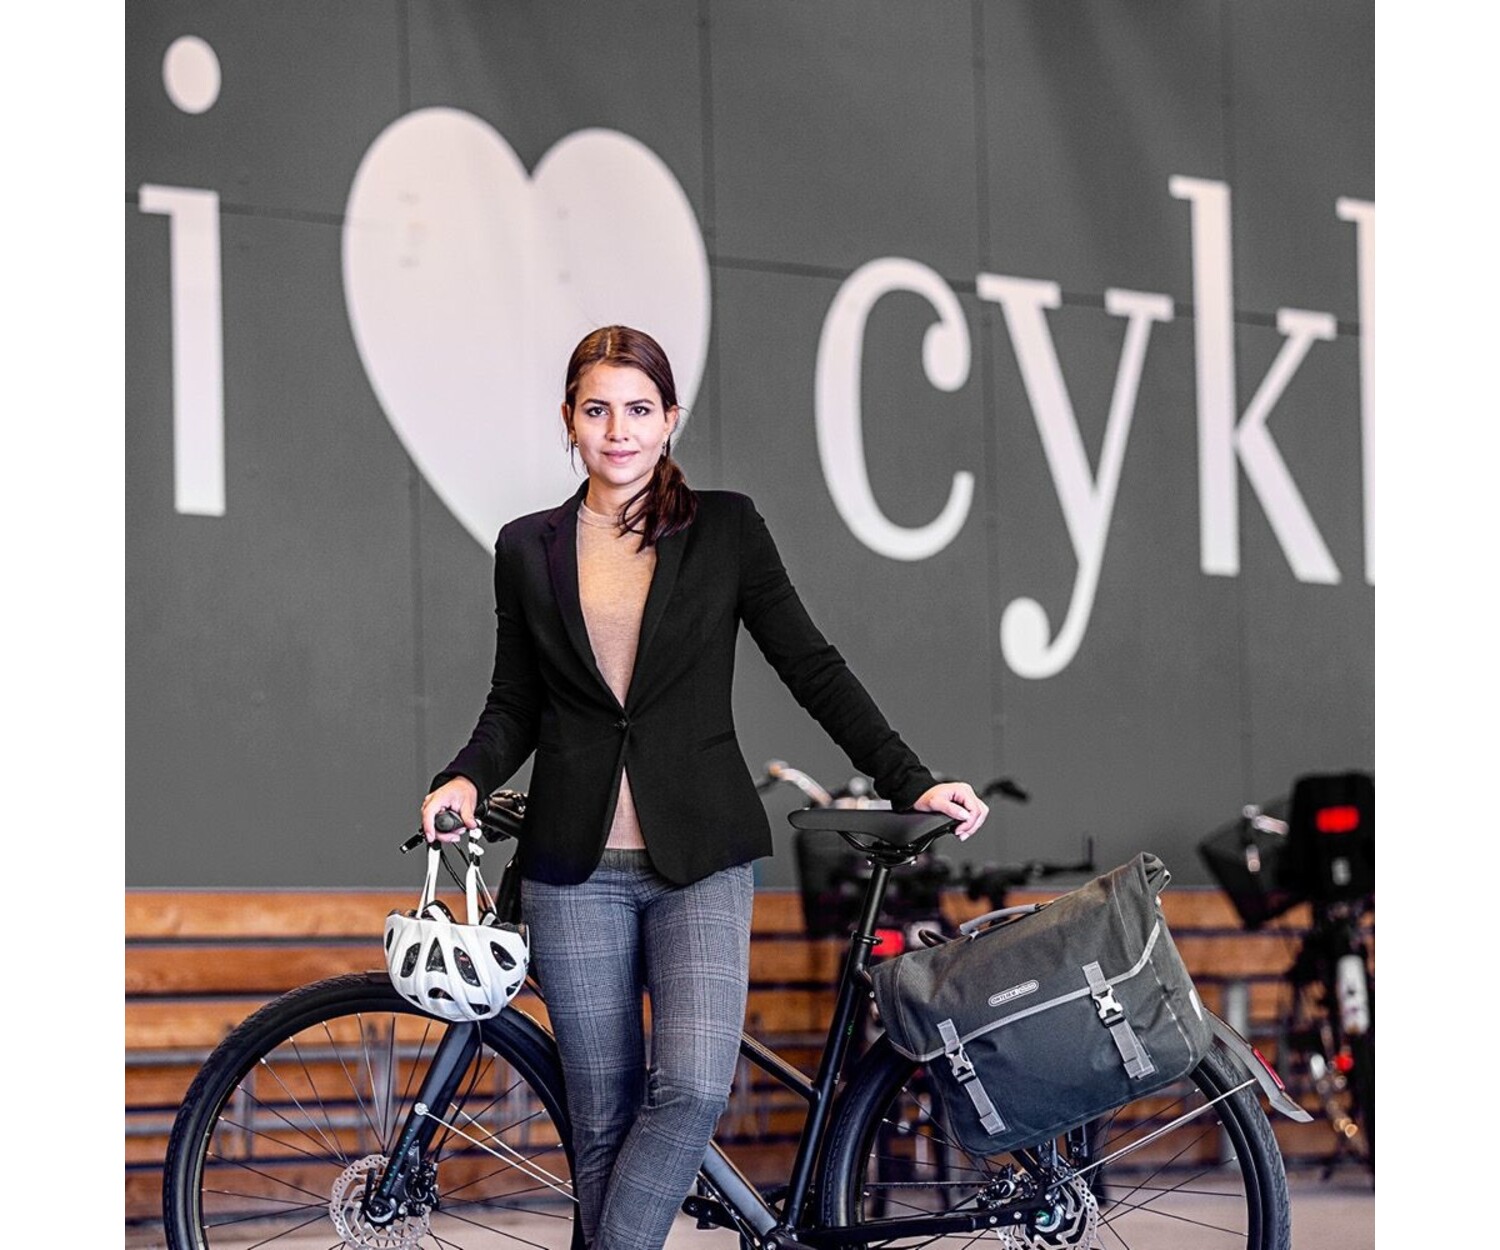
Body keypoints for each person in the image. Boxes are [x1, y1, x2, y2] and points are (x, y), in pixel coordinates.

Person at [420, 324, 988, 1250]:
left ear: (670, 419)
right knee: (600, 1122)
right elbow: (515, 700)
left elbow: (810, 664)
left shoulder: (725, 528)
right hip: (573, 869)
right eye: (597, 410)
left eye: (638, 409)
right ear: (568, 420)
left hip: (701, 859)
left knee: (688, 1087)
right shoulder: (528, 546)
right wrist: (463, 775)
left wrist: (910, 780)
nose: (619, 430)